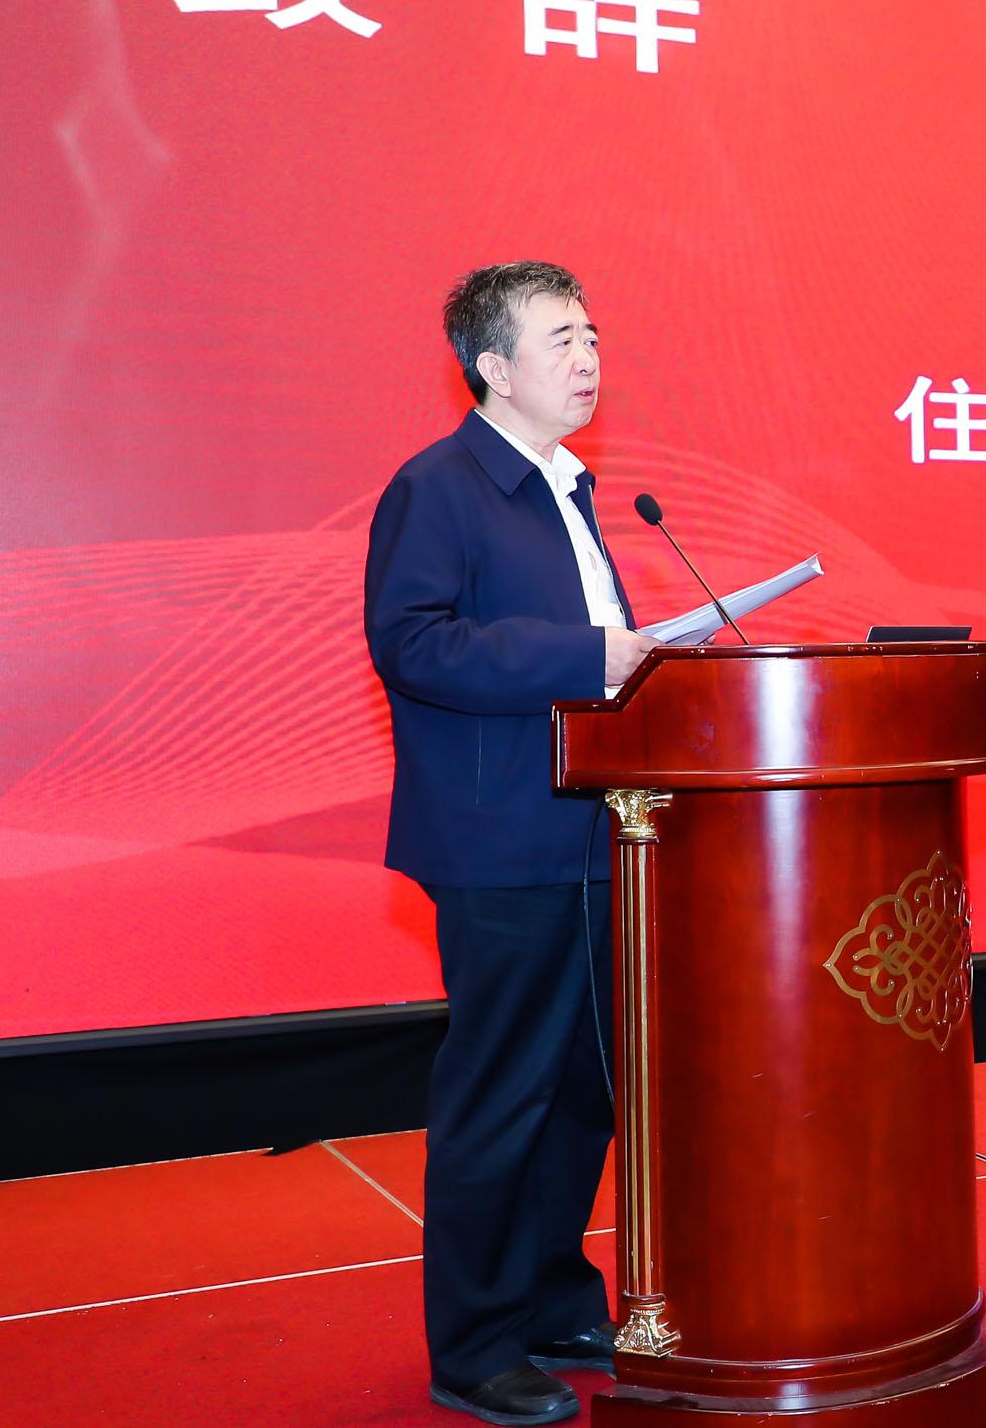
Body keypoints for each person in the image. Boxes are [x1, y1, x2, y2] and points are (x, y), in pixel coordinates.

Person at [364, 261, 657, 1426]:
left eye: (593, 334)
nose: (587, 358)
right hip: (500, 841)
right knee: (502, 1091)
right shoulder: (440, 487)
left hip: (597, 830)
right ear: (491, 365)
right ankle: (476, 1344)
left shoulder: (566, 488)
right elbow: (412, 642)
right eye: (559, 338)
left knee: (583, 1089)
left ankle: (549, 1298)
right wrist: (586, 656)